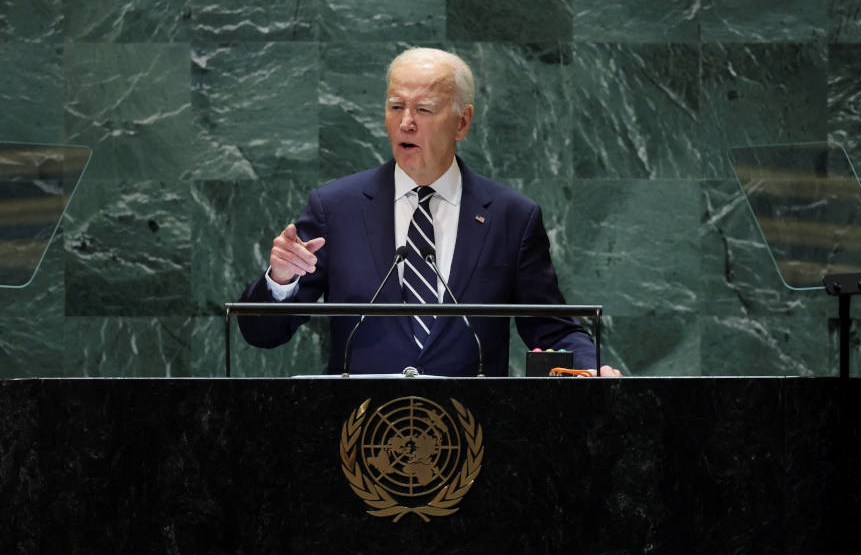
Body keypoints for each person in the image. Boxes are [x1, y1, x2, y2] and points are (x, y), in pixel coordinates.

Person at [238, 47, 620, 377]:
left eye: (423, 109)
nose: (406, 122)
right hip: (361, 435)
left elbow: (551, 328)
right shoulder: (336, 208)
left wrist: (590, 364)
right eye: (395, 107)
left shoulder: (511, 217)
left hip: (471, 434)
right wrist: (281, 279)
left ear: (462, 122)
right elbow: (263, 334)